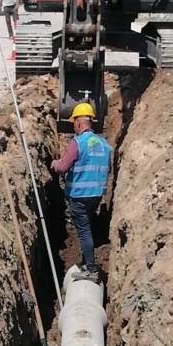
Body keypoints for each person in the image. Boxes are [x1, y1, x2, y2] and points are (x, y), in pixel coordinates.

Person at [51, 102, 112, 283]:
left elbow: (62, 167)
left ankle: (90, 269)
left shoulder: (77, 143)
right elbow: (105, 168)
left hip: (79, 195)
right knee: (88, 227)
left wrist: (55, 164)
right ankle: (88, 262)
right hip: (96, 194)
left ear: (78, 122)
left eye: (73, 123)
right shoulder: (103, 144)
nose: (73, 127)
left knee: (84, 231)